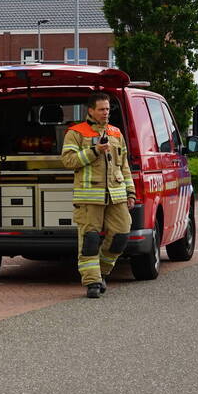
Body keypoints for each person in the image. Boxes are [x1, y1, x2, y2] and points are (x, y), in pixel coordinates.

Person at [60, 92, 136, 299]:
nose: (105, 113)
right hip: (89, 198)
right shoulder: (75, 133)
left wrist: (131, 192)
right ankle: (92, 281)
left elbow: (124, 165)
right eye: (102, 109)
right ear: (91, 110)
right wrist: (94, 150)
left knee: (121, 235)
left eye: (108, 109)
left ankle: (101, 272)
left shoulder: (115, 133)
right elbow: (68, 161)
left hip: (116, 195)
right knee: (90, 239)